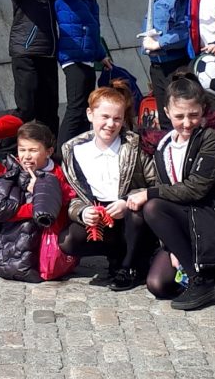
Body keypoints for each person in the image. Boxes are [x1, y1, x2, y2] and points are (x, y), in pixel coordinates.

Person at [123, 72, 215, 311]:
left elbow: (195, 189)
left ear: (203, 110)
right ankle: (198, 270)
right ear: (167, 112)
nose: (186, 122)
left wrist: (149, 193)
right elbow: (168, 188)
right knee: (158, 285)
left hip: (209, 219)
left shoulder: (212, 139)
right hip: (182, 222)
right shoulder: (164, 144)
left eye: (193, 115)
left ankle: (200, 278)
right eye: (179, 116)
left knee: (152, 205)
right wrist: (171, 246)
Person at [58, 81, 156, 291]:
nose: (110, 124)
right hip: (100, 212)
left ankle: (129, 267)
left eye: (117, 118)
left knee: (135, 214)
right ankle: (116, 255)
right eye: (105, 117)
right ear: (90, 114)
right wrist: (82, 212)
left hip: (129, 211)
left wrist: (126, 201)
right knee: (68, 240)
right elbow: (72, 194)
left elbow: (154, 184)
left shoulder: (135, 145)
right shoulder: (72, 149)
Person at [0, 121, 73, 282]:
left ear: (48, 152)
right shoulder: (13, 168)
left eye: (33, 150)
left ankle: (15, 264)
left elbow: (57, 206)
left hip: (37, 229)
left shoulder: (56, 175)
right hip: (7, 220)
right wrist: (13, 211)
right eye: (22, 150)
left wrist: (39, 193)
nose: (26, 156)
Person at [55, 0, 111, 150]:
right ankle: (61, 155)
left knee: (86, 109)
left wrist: (101, 54)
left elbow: (92, 29)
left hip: (87, 58)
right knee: (76, 109)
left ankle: (77, 151)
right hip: (73, 58)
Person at [8, 0, 60, 137]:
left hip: (48, 53)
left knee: (49, 109)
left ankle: (50, 150)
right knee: (26, 108)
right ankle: (6, 148)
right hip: (26, 53)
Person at [140, 0, 191, 130]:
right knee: (164, 118)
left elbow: (186, 29)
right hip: (157, 66)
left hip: (175, 66)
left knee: (179, 115)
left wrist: (159, 43)